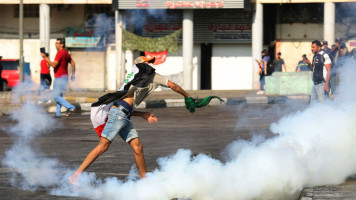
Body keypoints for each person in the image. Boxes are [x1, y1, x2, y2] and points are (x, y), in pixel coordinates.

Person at [68, 56, 222, 185]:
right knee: (103, 146)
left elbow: (126, 106)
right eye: (148, 61)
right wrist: (187, 96)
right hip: (119, 114)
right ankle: (75, 176)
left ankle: (145, 182)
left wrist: (142, 114)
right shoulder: (150, 75)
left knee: (138, 147)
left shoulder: (135, 77)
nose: (150, 63)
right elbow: (173, 86)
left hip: (123, 115)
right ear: (142, 64)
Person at [41, 38, 76, 118]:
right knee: (59, 96)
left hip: (59, 78)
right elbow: (73, 63)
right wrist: (73, 74)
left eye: (57, 43)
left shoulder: (60, 53)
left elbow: (54, 65)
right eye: (55, 43)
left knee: (55, 96)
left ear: (61, 44)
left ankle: (71, 107)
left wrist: (45, 57)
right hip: (64, 77)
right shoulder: (66, 53)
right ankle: (58, 114)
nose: (55, 44)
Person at [305, 40, 332, 104]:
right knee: (313, 106)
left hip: (322, 84)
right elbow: (313, 69)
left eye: (313, 47)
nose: (311, 49)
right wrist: (309, 64)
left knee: (323, 106)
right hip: (315, 84)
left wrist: (326, 85)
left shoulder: (324, 56)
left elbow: (329, 71)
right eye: (311, 47)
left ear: (319, 47)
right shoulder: (315, 56)